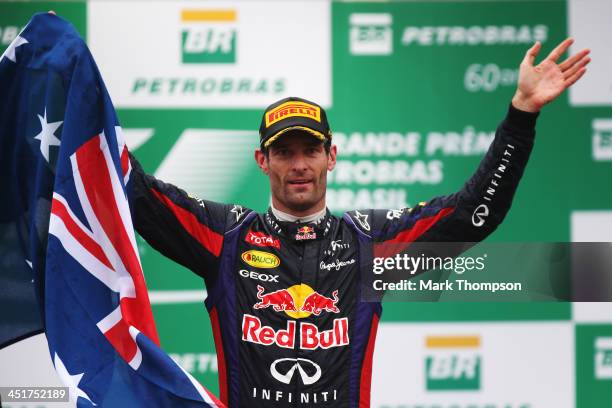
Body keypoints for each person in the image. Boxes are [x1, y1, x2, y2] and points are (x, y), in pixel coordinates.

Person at [129, 38, 589, 407]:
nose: (299, 165)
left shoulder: (370, 242)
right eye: (284, 153)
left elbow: (472, 216)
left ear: (332, 157)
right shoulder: (226, 235)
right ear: (261, 161)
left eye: (310, 150)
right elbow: (134, 193)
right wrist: (75, 96)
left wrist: (522, 115)